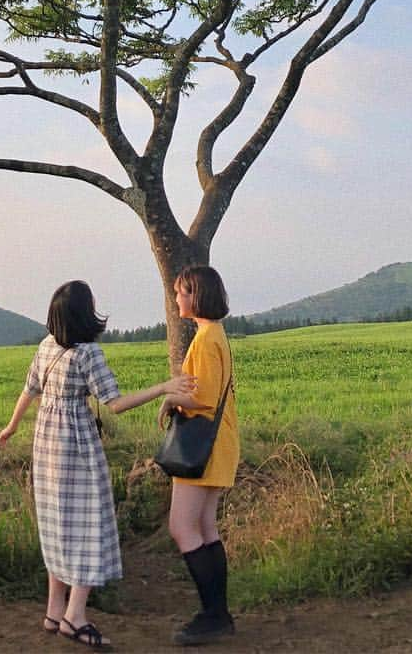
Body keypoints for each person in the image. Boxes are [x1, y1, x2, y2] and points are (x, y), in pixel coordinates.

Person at [0, 279, 195, 650]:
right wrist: (165, 387)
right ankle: (75, 617)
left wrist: (11, 426)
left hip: (45, 447)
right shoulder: (89, 354)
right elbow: (114, 403)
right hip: (76, 448)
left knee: (57, 523)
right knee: (89, 524)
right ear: (84, 314)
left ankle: (54, 612)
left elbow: (30, 389)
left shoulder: (45, 346)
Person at [159, 265, 239, 646]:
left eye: (181, 292)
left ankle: (212, 614)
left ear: (196, 295)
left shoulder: (206, 340)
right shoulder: (215, 334)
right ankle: (217, 614)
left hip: (200, 447)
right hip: (218, 444)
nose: (177, 299)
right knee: (206, 529)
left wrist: (169, 398)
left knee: (183, 527)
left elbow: (202, 398)